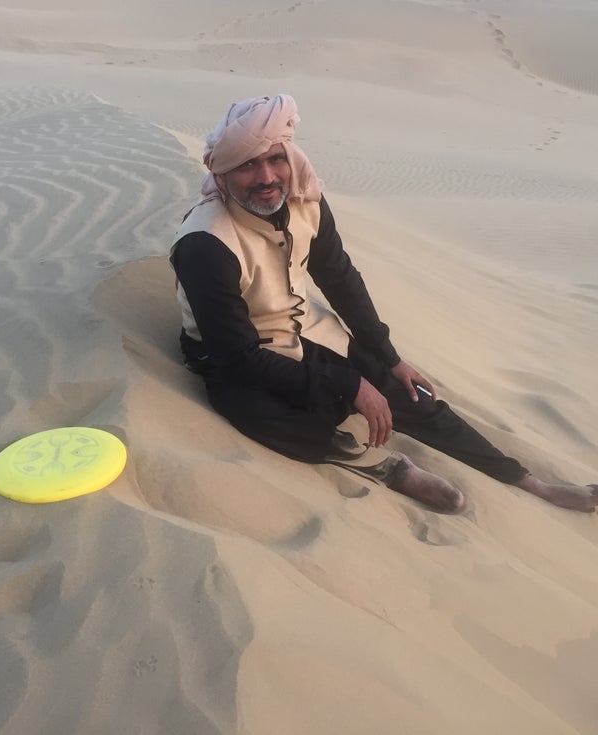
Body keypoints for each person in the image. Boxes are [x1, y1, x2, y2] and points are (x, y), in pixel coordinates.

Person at [169, 94, 598, 513]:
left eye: (275, 159)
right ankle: (384, 466)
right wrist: (350, 385)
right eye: (247, 164)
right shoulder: (205, 244)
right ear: (223, 174)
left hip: (308, 329)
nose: (266, 177)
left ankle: (531, 483)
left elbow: (339, 277)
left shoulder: (306, 202)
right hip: (238, 354)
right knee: (255, 411)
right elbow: (238, 357)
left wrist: (387, 358)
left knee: (411, 394)